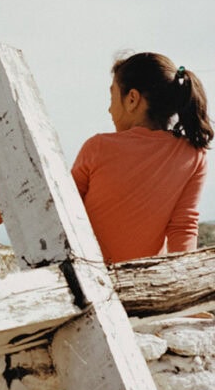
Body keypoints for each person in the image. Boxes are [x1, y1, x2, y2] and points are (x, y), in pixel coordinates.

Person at [71, 52, 212, 263]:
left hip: (88, 272)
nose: (109, 109)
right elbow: (183, 227)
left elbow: (63, 209)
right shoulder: (193, 154)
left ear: (132, 99)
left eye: (112, 97)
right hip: (146, 278)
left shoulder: (98, 147)